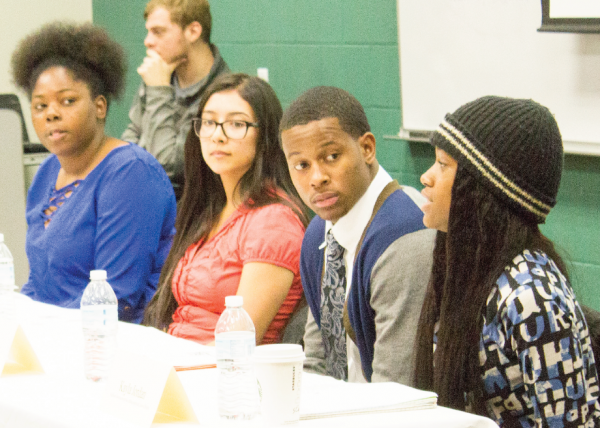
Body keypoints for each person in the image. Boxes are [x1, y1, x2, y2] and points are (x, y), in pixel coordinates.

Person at [414, 96, 600, 426]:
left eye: (443, 165)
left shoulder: (532, 297)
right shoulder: (466, 271)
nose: (426, 177)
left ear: (485, 191)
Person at [11, 22, 177, 323]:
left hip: (118, 341)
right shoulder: (47, 172)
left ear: (99, 106)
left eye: (67, 101)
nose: (51, 113)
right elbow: (40, 283)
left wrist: (45, 331)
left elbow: (117, 297)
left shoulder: (131, 173)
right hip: (57, 335)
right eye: (40, 106)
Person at [280, 86, 435, 384]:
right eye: (301, 165)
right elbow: (316, 360)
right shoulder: (319, 235)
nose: (317, 178)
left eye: (332, 156)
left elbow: (396, 393)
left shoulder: (404, 237)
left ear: (366, 148)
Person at [144, 73, 308, 345]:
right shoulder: (210, 206)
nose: (217, 136)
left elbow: (236, 345)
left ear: (265, 135)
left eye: (236, 124)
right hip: (178, 357)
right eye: (209, 122)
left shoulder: (275, 222)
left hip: (223, 373)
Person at [121, 0, 230, 199]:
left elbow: (167, 166)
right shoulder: (160, 73)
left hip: (189, 213)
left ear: (193, 31)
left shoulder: (223, 92)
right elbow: (131, 137)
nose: (147, 41)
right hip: (143, 199)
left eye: (158, 32)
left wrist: (159, 90)